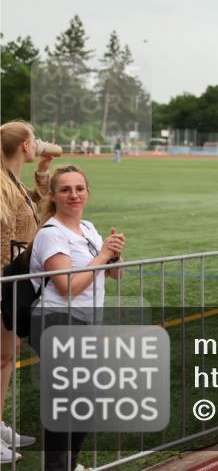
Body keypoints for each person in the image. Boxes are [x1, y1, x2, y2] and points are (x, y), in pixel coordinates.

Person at [28, 165, 124, 471]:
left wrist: (115, 255)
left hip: (82, 323)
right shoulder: (51, 234)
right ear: (53, 196)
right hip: (56, 320)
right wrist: (102, 257)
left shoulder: (89, 229)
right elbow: (67, 286)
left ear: (88, 193)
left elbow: (114, 275)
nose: (74, 195)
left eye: (79, 188)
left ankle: (67, 464)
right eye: (66, 189)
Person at [0, 121, 52, 462]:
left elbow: (25, 215)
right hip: (4, 281)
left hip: (14, 282)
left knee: (6, 357)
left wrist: (40, 186)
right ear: (24, 147)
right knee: (1, 358)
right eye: (34, 140)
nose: (38, 145)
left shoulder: (11, 180)